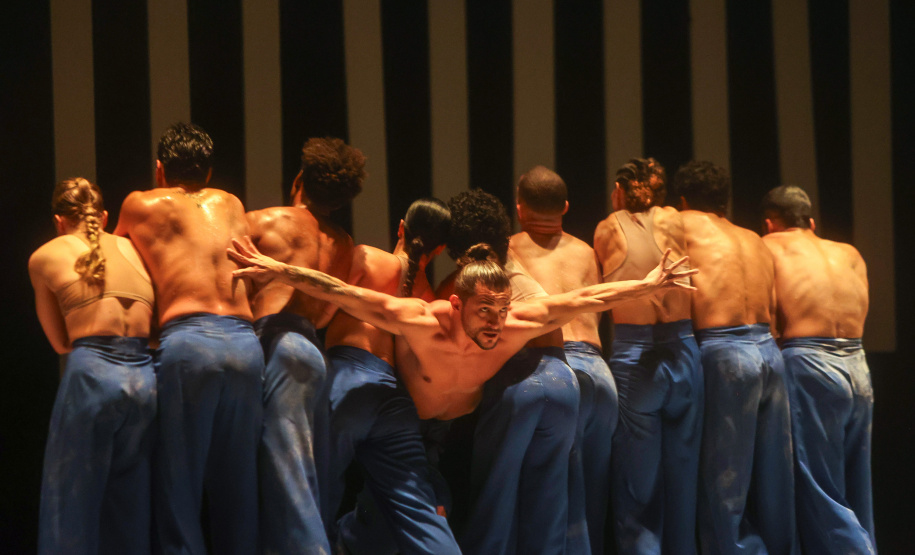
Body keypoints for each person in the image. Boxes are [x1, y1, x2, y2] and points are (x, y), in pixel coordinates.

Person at [229, 234, 695, 551]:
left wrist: (647, 283)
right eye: (484, 310)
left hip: (455, 436)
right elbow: (346, 294)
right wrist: (278, 269)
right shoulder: (425, 321)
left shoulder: (514, 326)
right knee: (375, 515)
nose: (495, 321)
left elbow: (585, 299)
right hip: (407, 422)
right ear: (457, 304)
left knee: (428, 520)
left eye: (502, 309)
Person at [114, 123, 265, 554]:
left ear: (160, 169)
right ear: (210, 170)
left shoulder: (141, 204)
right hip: (244, 342)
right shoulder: (231, 203)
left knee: (179, 484)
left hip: (189, 341)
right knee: (238, 483)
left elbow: (114, 259)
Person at [435, 189, 585, 554]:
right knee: (550, 502)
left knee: (495, 501)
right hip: (565, 380)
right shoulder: (521, 275)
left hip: (517, 387)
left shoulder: (462, 287)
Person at [318, 198, 460, 554]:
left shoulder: (367, 257)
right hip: (395, 401)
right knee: (419, 511)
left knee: (312, 495)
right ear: (440, 248)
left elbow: (322, 310)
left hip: (346, 380)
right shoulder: (428, 299)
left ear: (400, 228)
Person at [245, 137, 365, 554]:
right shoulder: (344, 243)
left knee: (286, 471)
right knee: (302, 468)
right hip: (313, 350)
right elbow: (331, 310)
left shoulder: (264, 221)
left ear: (299, 179)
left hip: (274, 345)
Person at [674, 161, 796, 555]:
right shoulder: (753, 238)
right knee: (774, 472)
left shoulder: (681, 226)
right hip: (769, 351)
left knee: (723, 472)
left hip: (725, 350)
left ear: (683, 199)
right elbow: (774, 308)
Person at [29, 178, 156, 554]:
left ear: (58, 220)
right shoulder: (135, 248)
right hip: (145, 377)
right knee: (131, 502)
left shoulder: (45, 255)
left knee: (70, 499)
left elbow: (60, 343)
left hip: (93, 374)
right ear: (103, 216)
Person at [593, 158, 703, 554]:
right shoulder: (676, 219)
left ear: (620, 191)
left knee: (637, 485)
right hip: (684, 349)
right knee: (684, 476)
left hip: (635, 353)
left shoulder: (607, 227)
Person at [509, 166, 618, 555]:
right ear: (566, 207)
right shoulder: (587, 252)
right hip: (599, 372)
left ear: (520, 209)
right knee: (591, 493)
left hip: (545, 367)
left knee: (546, 493)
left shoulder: (508, 248)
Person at [761, 185, 875, 553]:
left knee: (818, 485)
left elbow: (770, 320)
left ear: (770, 223)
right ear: (810, 221)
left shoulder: (770, 246)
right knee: (856, 485)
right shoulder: (850, 253)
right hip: (858, 366)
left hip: (811, 362)